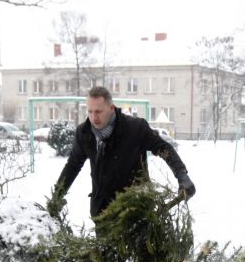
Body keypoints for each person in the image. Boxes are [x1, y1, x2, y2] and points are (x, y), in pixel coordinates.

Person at [51, 86, 195, 219]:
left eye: (99, 112)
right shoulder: (84, 133)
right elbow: (73, 165)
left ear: (111, 108)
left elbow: (164, 148)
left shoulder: (135, 128)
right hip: (103, 211)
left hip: (137, 209)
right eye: (90, 111)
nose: (94, 118)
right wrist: (57, 195)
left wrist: (182, 175)